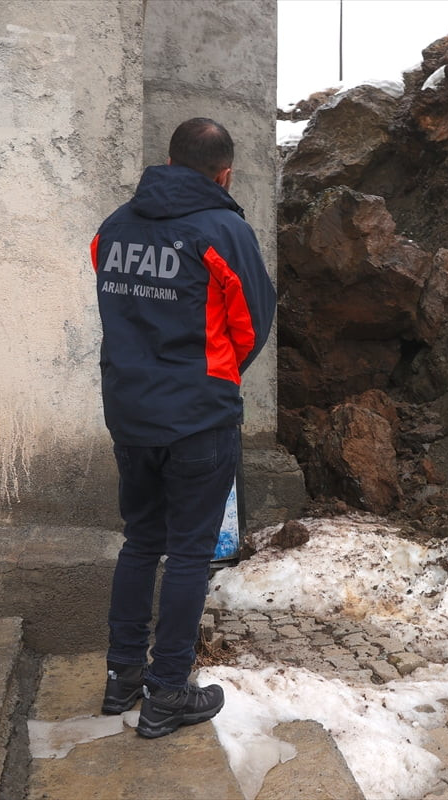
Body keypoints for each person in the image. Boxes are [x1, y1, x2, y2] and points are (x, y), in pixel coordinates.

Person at [90, 118, 275, 738]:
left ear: (168, 161)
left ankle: (123, 676)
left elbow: (115, 304)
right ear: (224, 174)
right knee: (190, 553)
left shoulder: (113, 228)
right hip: (198, 418)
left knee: (141, 541)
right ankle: (168, 690)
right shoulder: (223, 229)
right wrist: (218, 376)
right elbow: (251, 323)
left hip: (131, 412)